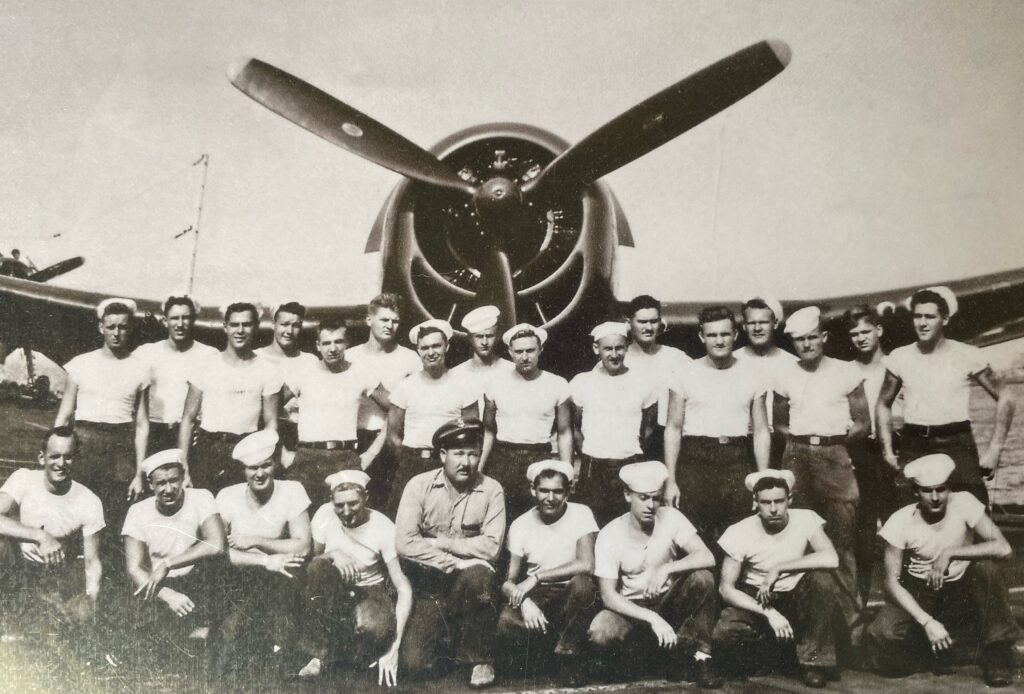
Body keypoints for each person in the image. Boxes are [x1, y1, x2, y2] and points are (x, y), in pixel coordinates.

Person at [865, 454, 1020, 687]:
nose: (936, 497)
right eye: (928, 491)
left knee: (987, 569)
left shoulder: (965, 502)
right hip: (921, 592)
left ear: (949, 488)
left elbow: (1004, 548)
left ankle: (997, 652)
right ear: (916, 491)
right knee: (883, 636)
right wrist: (926, 622)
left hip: (962, 589)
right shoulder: (900, 521)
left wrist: (951, 553)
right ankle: (940, 648)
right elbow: (890, 582)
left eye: (941, 489)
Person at [773, 306, 869, 625]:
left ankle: (848, 623)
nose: (807, 345)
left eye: (812, 337)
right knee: (798, 536)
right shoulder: (785, 373)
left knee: (841, 539)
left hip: (835, 457)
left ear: (823, 337)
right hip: (797, 457)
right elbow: (779, 422)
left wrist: (835, 445)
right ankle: (805, 619)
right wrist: (801, 442)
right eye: (799, 340)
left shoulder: (847, 372)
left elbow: (862, 423)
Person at [877, 286, 1016, 504]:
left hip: (957, 442)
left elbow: (1006, 396)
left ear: (945, 319)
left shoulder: (967, 354)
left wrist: (994, 450)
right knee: (908, 510)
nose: (922, 323)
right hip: (914, 444)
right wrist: (887, 451)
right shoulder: (900, 357)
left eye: (929, 317)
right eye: (917, 316)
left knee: (973, 508)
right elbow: (883, 404)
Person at [588, 461, 720, 688]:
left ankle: (700, 658)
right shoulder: (610, 533)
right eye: (643, 498)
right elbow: (608, 596)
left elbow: (707, 557)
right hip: (633, 608)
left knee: (702, 578)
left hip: (669, 601)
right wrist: (652, 618)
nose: (651, 505)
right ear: (627, 495)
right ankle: (649, 656)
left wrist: (666, 568)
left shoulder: (671, 517)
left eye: (656, 498)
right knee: (600, 631)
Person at [394, 418, 505, 688]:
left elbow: (491, 547)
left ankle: (479, 658)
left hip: (471, 585)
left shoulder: (492, 490)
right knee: (414, 664)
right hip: (430, 586)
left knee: (480, 574)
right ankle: (449, 640)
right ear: (443, 455)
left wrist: (442, 543)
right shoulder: (418, 486)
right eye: (458, 453)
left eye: (473, 453)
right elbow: (405, 542)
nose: (466, 462)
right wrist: (455, 562)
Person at [713, 470, 842, 689]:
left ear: (789, 499)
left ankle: (814, 663)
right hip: (757, 597)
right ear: (755, 502)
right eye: (765, 502)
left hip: (795, 593)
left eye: (779, 501)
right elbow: (726, 589)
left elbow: (831, 558)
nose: (773, 509)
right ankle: (773, 655)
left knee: (822, 579)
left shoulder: (806, 518)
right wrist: (768, 612)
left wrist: (779, 568)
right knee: (724, 634)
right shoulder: (739, 531)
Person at [663, 306, 770, 544]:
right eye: (712, 335)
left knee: (736, 532)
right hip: (694, 459)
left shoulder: (754, 373)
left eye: (724, 334)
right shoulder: (684, 373)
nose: (719, 341)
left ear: (735, 335)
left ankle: (728, 583)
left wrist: (762, 478)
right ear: (702, 337)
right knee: (694, 532)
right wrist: (671, 479)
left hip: (736, 459)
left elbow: (761, 430)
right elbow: (673, 428)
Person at [298, 469, 413, 687]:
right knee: (318, 569)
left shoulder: (383, 526)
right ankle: (320, 654)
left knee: (373, 628)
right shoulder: (324, 514)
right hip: (335, 590)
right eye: (339, 505)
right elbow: (313, 562)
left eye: (353, 503)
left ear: (366, 498)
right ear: (331, 502)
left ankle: (346, 651)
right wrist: (333, 554)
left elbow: (402, 585)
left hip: (370, 590)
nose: (346, 511)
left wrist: (395, 646)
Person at [214, 431, 311, 671]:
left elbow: (303, 545)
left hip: (279, 580)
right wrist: (266, 561)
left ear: (275, 464)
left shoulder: (292, 490)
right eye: (252, 468)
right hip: (239, 580)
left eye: (266, 465)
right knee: (228, 652)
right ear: (242, 470)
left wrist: (254, 540)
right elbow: (217, 550)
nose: (260, 473)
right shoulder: (227, 496)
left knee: (275, 655)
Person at [498, 460, 598, 683]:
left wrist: (536, 577)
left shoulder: (581, 513)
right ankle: (545, 652)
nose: (550, 498)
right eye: (544, 490)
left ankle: (567, 657)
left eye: (557, 491)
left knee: (584, 584)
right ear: (533, 490)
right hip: (539, 596)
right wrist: (524, 602)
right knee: (506, 621)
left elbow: (586, 564)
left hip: (571, 594)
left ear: (568, 492)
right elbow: (508, 582)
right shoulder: (520, 524)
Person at [55, 298, 149, 533]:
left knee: (114, 514)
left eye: (123, 327)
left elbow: (142, 424)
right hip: (85, 444)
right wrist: (56, 454)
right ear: (101, 328)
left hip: (121, 448)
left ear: (131, 328)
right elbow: (63, 416)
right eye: (111, 327)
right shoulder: (80, 364)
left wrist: (139, 472)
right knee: (75, 508)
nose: (117, 333)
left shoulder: (141, 368)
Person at [0, 427, 104, 634]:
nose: (61, 464)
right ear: (42, 458)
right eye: (54, 456)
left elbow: (92, 560)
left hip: (54, 574)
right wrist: (41, 536)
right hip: (16, 567)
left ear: (76, 459)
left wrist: (91, 598)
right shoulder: (24, 478)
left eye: (68, 457)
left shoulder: (88, 500)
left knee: (72, 623)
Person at [122, 449, 228, 647]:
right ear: (150, 484)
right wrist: (166, 594)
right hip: (157, 587)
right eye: (161, 483)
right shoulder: (138, 512)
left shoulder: (201, 498)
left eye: (174, 480)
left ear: (183, 478)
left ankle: (203, 630)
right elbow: (133, 568)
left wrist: (168, 563)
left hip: (196, 584)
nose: (169, 489)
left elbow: (217, 544)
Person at [178, 302, 282, 493]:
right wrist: (183, 465)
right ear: (225, 326)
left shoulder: (268, 370)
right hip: (207, 450)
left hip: (246, 450)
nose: (240, 330)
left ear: (256, 326)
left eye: (246, 324)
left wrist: (264, 460)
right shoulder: (205, 365)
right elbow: (188, 419)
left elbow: (271, 423)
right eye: (234, 324)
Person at [283, 318, 388, 506]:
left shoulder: (361, 372)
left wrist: (372, 452)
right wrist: (282, 451)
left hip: (345, 457)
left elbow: (397, 407)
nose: (332, 348)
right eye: (326, 343)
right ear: (317, 345)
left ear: (347, 343)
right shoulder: (302, 372)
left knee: (348, 518)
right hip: (307, 457)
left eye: (338, 342)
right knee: (301, 517)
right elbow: (268, 409)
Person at [384, 319, 478, 517]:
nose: (431, 352)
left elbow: (473, 434)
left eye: (436, 345)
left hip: (449, 465)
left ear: (447, 346)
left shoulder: (465, 385)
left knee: (448, 519)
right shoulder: (405, 387)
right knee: (404, 519)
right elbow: (393, 436)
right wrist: (410, 459)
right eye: (424, 347)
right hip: (412, 464)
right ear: (418, 350)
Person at [568, 321, 657, 525]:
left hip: (629, 464)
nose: (614, 354)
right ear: (596, 349)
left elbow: (649, 425)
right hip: (593, 469)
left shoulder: (644, 381)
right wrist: (587, 451)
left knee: (629, 524)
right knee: (592, 524)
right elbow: (573, 425)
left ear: (626, 348)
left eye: (619, 348)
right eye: (608, 348)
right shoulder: (582, 382)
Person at [481, 323, 572, 521]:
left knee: (539, 520)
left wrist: (566, 473)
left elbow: (564, 432)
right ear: (510, 352)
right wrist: (479, 469)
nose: (525, 357)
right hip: (502, 460)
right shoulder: (494, 384)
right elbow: (488, 431)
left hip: (539, 457)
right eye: (519, 351)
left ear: (541, 350)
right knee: (499, 519)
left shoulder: (557, 384)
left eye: (530, 350)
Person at [843, 304, 900, 601]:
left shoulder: (897, 364)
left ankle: (903, 598)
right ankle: (860, 600)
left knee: (900, 522)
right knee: (862, 530)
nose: (861, 338)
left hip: (895, 450)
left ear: (879, 330)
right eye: (854, 334)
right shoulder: (847, 370)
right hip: (862, 452)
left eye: (866, 331)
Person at [348, 294, 421, 513]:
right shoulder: (350, 356)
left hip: (391, 441)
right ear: (369, 320)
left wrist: (377, 391)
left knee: (386, 505)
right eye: (384, 320)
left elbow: (409, 408)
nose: (390, 326)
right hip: (353, 440)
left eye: (395, 321)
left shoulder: (410, 359)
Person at [134, 296, 217, 458]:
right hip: (154, 432)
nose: (180, 324)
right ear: (165, 321)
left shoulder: (209, 355)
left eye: (185, 318)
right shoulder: (146, 353)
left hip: (190, 433)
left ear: (193, 320)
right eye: (174, 318)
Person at [622, 295, 692, 461]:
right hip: (626, 439)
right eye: (642, 322)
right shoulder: (618, 359)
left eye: (653, 321)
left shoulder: (677, 358)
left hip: (666, 441)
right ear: (629, 323)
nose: (648, 327)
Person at [256, 302, 319, 467]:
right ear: (273, 325)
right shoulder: (257, 358)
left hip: (298, 433)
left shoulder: (310, 361)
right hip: (261, 429)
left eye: (296, 325)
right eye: (284, 324)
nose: (289, 331)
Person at [736, 297, 796, 468]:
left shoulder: (791, 362)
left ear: (775, 323)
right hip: (743, 443)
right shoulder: (732, 360)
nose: (757, 328)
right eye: (751, 323)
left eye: (763, 322)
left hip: (782, 442)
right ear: (744, 326)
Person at [451, 305, 514, 410]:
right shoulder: (456, 374)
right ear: (470, 338)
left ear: (498, 336)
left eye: (489, 336)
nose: (484, 342)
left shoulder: (512, 370)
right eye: (479, 336)